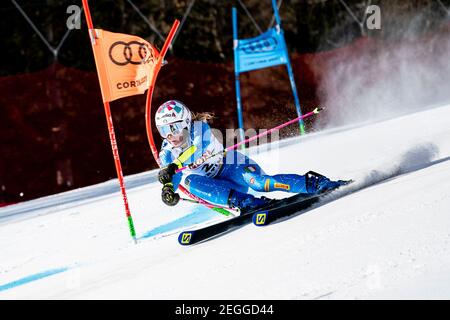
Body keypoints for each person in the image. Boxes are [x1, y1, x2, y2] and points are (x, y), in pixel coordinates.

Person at [156, 100, 348, 213]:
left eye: (173, 127)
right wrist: (168, 189)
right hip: (222, 188)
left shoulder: (200, 129)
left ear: (187, 122)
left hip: (233, 167)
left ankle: (315, 184)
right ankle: (247, 203)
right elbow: (174, 177)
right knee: (190, 181)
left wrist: (176, 164)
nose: (170, 135)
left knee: (260, 183)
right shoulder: (167, 151)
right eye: (163, 130)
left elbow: (196, 150)